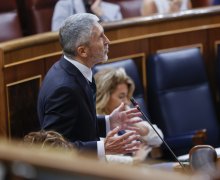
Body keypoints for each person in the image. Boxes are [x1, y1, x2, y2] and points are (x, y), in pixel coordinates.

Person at [38, 13, 142, 159]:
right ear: (82, 51)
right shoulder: (64, 88)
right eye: (100, 37)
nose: (108, 41)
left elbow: (79, 125)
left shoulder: (75, 69)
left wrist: (108, 122)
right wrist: (102, 148)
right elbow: (52, 147)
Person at [94, 68, 164, 164]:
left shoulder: (125, 115)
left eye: (127, 96)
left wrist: (138, 127)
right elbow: (104, 159)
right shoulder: (95, 122)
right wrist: (135, 161)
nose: (127, 102)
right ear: (104, 96)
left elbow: (158, 139)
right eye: (121, 97)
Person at [52, 0, 123, 31]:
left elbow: (119, 33)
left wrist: (101, 15)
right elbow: (56, 33)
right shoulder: (64, 5)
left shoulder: (113, 9)